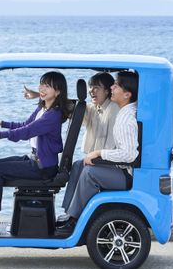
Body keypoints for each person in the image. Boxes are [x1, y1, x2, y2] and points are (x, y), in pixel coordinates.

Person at [0, 71, 68, 232]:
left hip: (43, 167)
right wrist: (0, 122)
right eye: (42, 84)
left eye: (47, 86)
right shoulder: (43, 108)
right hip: (35, 159)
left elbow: (26, 132)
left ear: (58, 91)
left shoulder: (52, 115)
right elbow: (24, 125)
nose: (42, 89)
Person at [56, 71, 139, 231]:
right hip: (119, 166)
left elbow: (129, 155)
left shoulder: (122, 115)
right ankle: (69, 213)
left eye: (115, 86)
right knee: (79, 165)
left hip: (125, 172)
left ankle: (75, 219)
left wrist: (99, 153)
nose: (112, 87)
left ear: (127, 94)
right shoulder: (122, 108)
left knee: (89, 172)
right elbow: (79, 109)